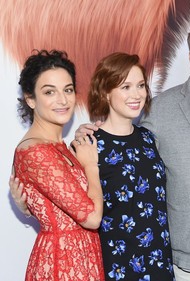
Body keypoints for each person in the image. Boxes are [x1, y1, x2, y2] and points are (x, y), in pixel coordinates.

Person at [12, 15, 190, 280]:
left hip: (165, 259)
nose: (136, 94)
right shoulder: (93, 142)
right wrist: (28, 203)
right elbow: (72, 201)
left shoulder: (148, 136)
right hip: (126, 263)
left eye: (140, 85)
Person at [11, 52, 176, 281]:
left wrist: (26, 203)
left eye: (68, 90)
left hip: (151, 260)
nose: (62, 99)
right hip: (107, 264)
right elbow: (88, 213)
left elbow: (59, 192)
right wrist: (26, 203)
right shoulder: (86, 145)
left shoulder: (148, 138)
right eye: (125, 87)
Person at [11, 50, 104, 280]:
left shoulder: (58, 145)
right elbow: (92, 218)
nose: (62, 100)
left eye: (68, 89)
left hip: (82, 257)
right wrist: (91, 166)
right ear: (30, 99)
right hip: (61, 265)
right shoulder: (36, 151)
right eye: (49, 92)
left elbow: (54, 204)